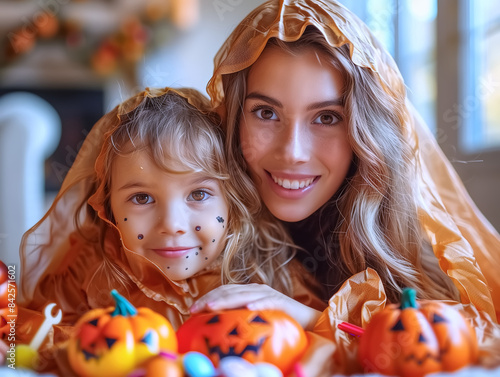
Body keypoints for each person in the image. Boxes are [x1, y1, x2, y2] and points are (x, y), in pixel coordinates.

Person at [191, 0, 500, 372]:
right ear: (233, 118)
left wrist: (307, 318)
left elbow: (464, 339)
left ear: (365, 133)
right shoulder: (192, 230)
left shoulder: (417, 246)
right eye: (266, 112)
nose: (292, 153)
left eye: (326, 117)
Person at [15, 87, 328, 375]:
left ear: (231, 200)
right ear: (108, 209)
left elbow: (336, 341)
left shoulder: (269, 270)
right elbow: (33, 344)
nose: (172, 225)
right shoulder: (87, 269)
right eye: (142, 198)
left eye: (198, 195)